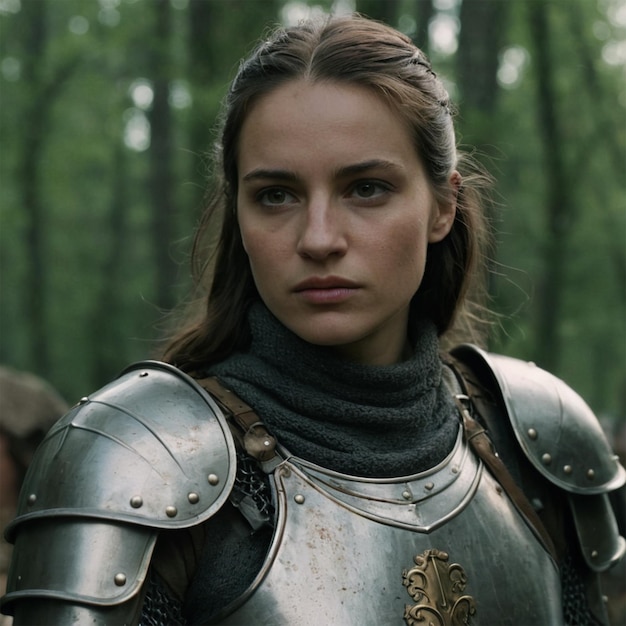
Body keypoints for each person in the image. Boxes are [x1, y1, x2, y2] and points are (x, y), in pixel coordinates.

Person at [1, 14, 624, 626]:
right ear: (239, 216)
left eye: (367, 189)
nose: (319, 238)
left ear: (442, 206)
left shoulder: (538, 442)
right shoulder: (137, 466)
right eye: (276, 195)